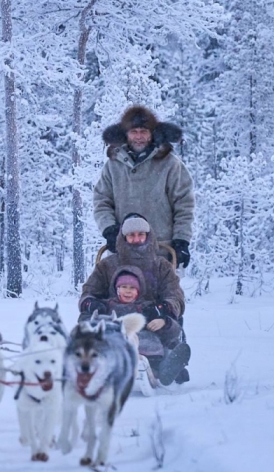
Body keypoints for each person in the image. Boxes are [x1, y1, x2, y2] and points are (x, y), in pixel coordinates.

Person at [79, 216, 190, 384]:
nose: (136, 239)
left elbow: (175, 296)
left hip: (149, 319)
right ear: (123, 237)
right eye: (131, 235)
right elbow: (88, 292)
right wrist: (92, 303)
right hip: (112, 320)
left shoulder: (161, 266)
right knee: (86, 320)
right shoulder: (107, 265)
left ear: (148, 236)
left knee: (171, 324)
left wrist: (162, 308)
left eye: (141, 234)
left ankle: (164, 367)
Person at [94, 105, 195, 270]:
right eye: (134, 132)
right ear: (126, 134)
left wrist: (181, 240)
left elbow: (184, 205)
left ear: (152, 133)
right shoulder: (113, 166)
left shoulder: (170, 164)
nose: (139, 137)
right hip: (121, 251)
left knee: (165, 288)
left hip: (161, 251)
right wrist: (109, 230)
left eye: (143, 131)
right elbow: (102, 201)